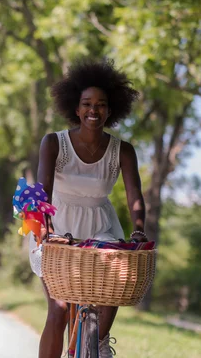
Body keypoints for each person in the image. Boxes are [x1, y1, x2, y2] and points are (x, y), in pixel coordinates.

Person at [31, 59, 147, 358]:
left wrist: (137, 229)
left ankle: (97, 343)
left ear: (111, 110)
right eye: (86, 104)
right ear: (76, 108)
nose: (93, 110)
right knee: (58, 310)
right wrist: (46, 229)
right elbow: (43, 192)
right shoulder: (53, 142)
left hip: (100, 227)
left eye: (101, 104)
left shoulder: (122, 150)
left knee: (114, 283)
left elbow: (135, 195)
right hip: (57, 227)